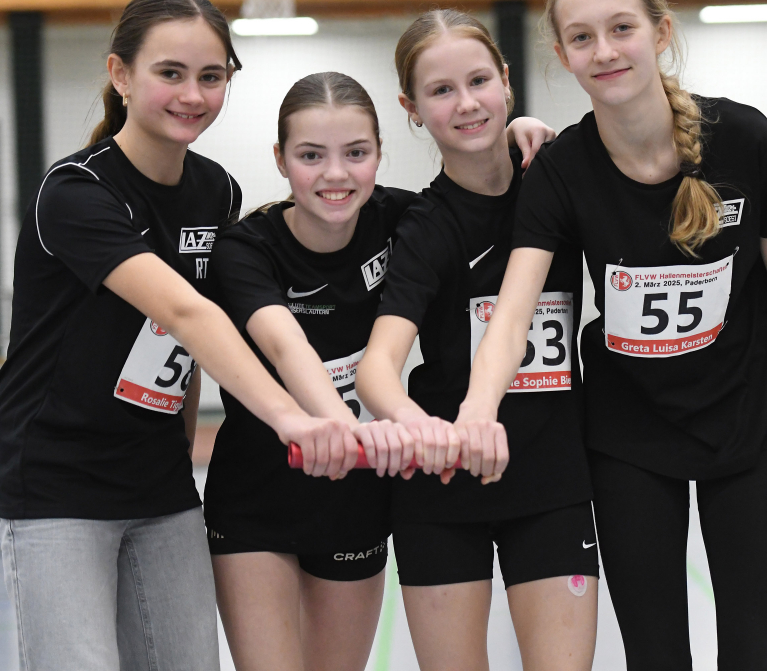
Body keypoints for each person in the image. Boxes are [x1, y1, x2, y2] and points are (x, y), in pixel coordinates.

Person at [459, 0, 767, 670]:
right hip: (628, 440)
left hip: (749, 430)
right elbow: (514, 312)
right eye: (582, 37)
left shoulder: (744, 139)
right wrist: (477, 409)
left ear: (660, 31)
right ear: (562, 53)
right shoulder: (561, 171)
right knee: (655, 655)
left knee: (755, 655)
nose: (604, 51)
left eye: (621, 28)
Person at [0, 0, 358, 671]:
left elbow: (187, 349)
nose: (193, 94)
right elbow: (185, 312)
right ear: (121, 75)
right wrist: (293, 417)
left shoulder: (216, 190)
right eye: (170, 73)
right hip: (58, 487)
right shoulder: (75, 193)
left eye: (211, 76)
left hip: (160, 486)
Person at [203, 69, 557, 671]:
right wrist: (341, 425)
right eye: (310, 156)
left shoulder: (403, 220)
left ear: (379, 154)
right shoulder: (245, 248)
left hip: (357, 499)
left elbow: (480, 198)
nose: (335, 174)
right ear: (280, 159)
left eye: (356, 153)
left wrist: (512, 133)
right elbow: (288, 349)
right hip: (257, 499)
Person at [356, 10, 601, 671]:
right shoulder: (424, 228)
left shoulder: (557, 181)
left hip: (551, 482)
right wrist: (419, 425)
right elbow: (377, 367)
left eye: (478, 81)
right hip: (442, 489)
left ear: (507, 81)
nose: (466, 103)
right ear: (412, 109)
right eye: (441, 90)